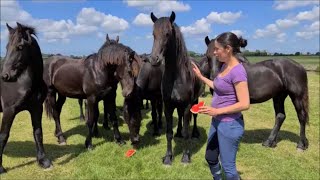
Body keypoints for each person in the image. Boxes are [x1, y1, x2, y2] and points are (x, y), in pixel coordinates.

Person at [191, 32, 250, 180]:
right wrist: (201, 77)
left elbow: (245, 103)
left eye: (217, 49)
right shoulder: (224, 66)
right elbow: (218, 86)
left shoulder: (238, 71)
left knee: (229, 169)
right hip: (217, 122)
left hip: (230, 125)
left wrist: (216, 110)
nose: (214, 52)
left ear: (228, 49)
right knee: (210, 157)